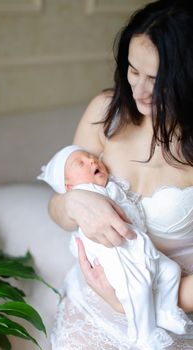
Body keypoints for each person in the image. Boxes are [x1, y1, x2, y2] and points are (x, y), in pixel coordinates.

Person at [48, 0, 193, 349]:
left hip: (174, 310)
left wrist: (137, 299)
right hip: (92, 301)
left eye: (156, 80)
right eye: (133, 71)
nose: (139, 91)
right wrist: (74, 202)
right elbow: (57, 205)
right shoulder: (106, 112)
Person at [38, 144, 192, 349]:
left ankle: (166, 311)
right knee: (138, 287)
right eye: (81, 162)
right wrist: (70, 201)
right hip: (116, 253)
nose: (92, 160)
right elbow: (58, 204)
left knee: (171, 270)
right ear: (68, 186)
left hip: (142, 248)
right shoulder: (87, 191)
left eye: (91, 157)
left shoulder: (110, 187)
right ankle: (144, 335)